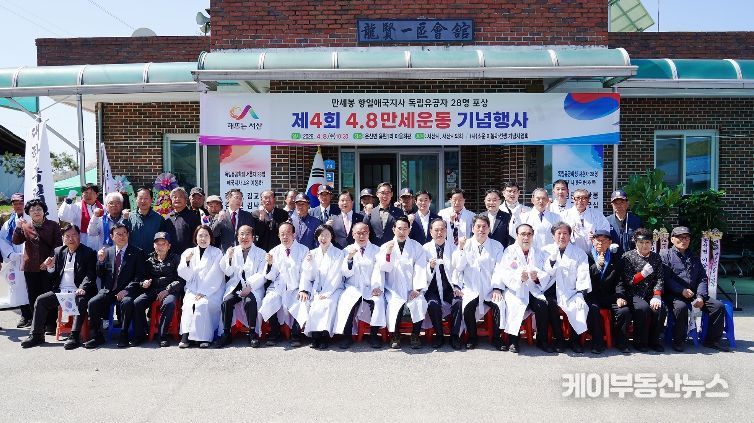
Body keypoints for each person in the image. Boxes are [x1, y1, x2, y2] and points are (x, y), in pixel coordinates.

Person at [20, 224, 97, 350]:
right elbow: (53, 276)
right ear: (63, 238)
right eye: (67, 236)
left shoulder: (88, 252)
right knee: (41, 300)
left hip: (79, 291)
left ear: (79, 237)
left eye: (74, 235)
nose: (71, 239)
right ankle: (37, 335)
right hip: (61, 290)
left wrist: (83, 287)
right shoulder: (58, 251)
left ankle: (74, 336)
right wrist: (50, 267)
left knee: (80, 300)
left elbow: (90, 275)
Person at [661, 226, 729, 352]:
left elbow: (702, 278)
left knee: (717, 306)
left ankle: (712, 340)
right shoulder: (665, 255)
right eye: (680, 237)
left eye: (686, 238)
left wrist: (700, 296)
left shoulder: (693, 256)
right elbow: (665, 279)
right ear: (672, 239)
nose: (684, 240)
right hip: (674, 294)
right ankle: (679, 340)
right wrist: (681, 290)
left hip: (693, 294)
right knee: (680, 307)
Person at [84, 223, 146, 349]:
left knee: (127, 302)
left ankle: (124, 334)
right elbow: (100, 274)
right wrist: (100, 261)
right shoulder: (107, 252)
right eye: (118, 234)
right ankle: (97, 336)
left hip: (127, 291)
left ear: (128, 235)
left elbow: (140, 276)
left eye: (124, 234)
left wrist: (127, 290)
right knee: (93, 303)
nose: (121, 237)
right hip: (109, 290)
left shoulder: (137, 252)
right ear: (112, 237)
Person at [451, 215, 506, 350]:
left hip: (490, 287)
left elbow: (500, 268)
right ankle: (472, 337)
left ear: (489, 229)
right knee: (467, 307)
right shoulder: (466, 244)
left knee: (499, 305)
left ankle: (496, 338)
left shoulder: (496, 246)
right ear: (472, 228)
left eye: (484, 227)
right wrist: (461, 249)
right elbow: (458, 267)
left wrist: (497, 288)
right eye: (478, 226)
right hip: (471, 287)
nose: (481, 229)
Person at [494, 223, 549, 353]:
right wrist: (519, 279)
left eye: (529, 234)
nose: (526, 237)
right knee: (514, 306)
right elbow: (504, 272)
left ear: (533, 236)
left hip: (532, 289)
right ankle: (513, 341)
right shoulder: (509, 251)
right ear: (517, 236)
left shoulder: (538, 252)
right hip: (515, 290)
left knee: (542, 306)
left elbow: (545, 271)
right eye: (523, 234)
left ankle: (542, 340)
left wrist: (537, 277)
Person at [374, 216, 427, 349]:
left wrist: (417, 289)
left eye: (405, 229)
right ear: (394, 229)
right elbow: (383, 268)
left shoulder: (416, 247)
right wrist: (388, 253)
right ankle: (395, 335)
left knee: (419, 303)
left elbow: (420, 268)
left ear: (409, 230)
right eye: (399, 229)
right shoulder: (386, 246)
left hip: (412, 288)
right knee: (394, 305)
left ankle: (415, 335)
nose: (402, 232)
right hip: (393, 288)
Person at [542, 222, 593, 353]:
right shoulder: (545, 251)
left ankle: (574, 341)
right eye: (559, 233)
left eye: (565, 233)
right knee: (550, 305)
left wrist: (580, 293)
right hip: (550, 289)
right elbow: (543, 272)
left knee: (579, 306)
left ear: (570, 236)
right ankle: (559, 339)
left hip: (571, 291)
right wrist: (552, 261)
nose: (562, 236)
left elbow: (583, 273)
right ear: (553, 236)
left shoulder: (579, 253)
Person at [12, 198, 62, 329]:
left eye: (39, 209)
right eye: (32, 210)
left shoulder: (53, 225)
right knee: (33, 296)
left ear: (44, 211)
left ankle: (51, 324)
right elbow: (16, 241)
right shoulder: (26, 226)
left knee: (49, 295)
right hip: (30, 267)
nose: (36, 212)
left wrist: (50, 259)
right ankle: (38, 325)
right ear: (28, 213)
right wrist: (18, 228)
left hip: (48, 266)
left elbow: (58, 244)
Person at [334, 222, 385, 349]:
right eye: (358, 233)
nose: (361, 236)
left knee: (378, 302)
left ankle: (374, 335)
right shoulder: (346, 250)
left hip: (371, 287)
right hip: (353, 286)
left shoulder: (376, 250)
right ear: (353, 234)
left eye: (364, 233)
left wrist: (377, 286)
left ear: (369, 234)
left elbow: (378, 270)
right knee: (346, 301)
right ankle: (347, 336)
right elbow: (345, 273)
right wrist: (349, 259)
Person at [216, 225, 268, 348]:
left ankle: (252, 333)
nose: (244, 237)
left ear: (253, 237)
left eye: (247, 234)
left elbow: (263, 274)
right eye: (242, 234)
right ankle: (226, 333)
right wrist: (229, 258)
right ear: (237, 237)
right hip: (236, 286)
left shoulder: (261, 253)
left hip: (253, 287)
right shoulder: (232, 251)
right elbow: (227, 272)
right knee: (227, 301)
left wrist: (250, 287)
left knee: (250, 301)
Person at [259, 222, 310, 347]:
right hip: (278, 287)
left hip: (296, 287)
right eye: (282, 234)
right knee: (268, 301)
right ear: (278, 236)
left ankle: (296, 334)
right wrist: (270, 264)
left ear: (294, 235)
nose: (285, 237)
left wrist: (303, 289)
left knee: (303, 303)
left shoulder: (303, 250)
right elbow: (270, 276)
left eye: (288, 233)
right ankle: (275, 331)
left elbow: (306, 272)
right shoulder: (274, 251)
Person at [294, 225, 345, 349]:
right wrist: (309, 264)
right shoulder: (312, 253)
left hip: (334, 289)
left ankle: (324, 337)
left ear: (331, 237)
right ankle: (314, 335)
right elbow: (307, 276)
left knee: (328, 304)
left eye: (327, 235)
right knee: (310, 303)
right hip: (315, 288)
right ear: (317, 237)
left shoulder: (338, 253)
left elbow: (336, 276)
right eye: (321, 235)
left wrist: (327, 293)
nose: (324, 238)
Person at [617, 228, 666, 352]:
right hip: (633, 293)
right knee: (642, 308)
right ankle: (639, 342)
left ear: (651, 243)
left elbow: (660, 278)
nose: (644, 245)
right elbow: (627, 280)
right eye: (641, 242)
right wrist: (642, 274)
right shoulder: (627, 256)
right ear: (635, 242)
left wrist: (657, 296)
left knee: (659, 309)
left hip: (650, 293)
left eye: (647, 242)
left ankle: (654, 341)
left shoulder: (656, 258)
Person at [177, 225, 225, 348]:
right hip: (193, 288)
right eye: (200, 236)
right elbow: (183, 273)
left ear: (211, 237)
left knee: (202, 304)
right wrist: (187, 262)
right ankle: (186, 335)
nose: (203, 239)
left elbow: (216, 274)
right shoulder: (189, 252)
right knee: (188, 305)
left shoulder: (217, 252)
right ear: (196, 238)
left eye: (206, 236)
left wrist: (204, 291)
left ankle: (203, 338)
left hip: (212, 290)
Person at [134, 231, 184, 347]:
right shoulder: (148, 259)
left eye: (163, 243)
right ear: (154, 245)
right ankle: (142, 332)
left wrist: (168, 290)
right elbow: (141, 277)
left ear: (169, 246)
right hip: (153, 290)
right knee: (137, 303)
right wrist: (144, 283)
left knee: (169, 302)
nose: (160, 246)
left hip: (169, 290)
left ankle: (162, 335)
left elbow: (181, 280)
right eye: (158, 244)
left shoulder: (176, 259)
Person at [419, 218, 460, 349]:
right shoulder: (424, 249)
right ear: (431, 232)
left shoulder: (453, 248)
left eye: (442, 230)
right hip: (432, 288)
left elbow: (459, 270)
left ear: (446, 231)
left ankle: (454, 335)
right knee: (432, 304)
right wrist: (430, 267)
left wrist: (457, 287)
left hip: (449, 287)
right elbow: (419, 271)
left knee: (458, 302)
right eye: (436, 230)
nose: (439, 233)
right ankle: (439, 335)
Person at [585, 229, 622, 354]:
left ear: (610, 242)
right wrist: (597, 266)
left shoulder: (616, 257)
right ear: (593, 241)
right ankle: (597, 343)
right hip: (592, 295)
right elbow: (584, 277)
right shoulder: (586, 256)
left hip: (610, 295)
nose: (600, 243)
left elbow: (619, 280)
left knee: (624, 310)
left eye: (604, 241)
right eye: (598, 240)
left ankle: (621, 341)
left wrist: (620, 296)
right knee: (593, 309)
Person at [0, 193, 29, 319]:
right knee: (18, 287)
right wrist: (11, 254)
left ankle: (35, 317)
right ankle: (25, 315)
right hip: (17, 259)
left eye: (21, 203)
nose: (18, 206)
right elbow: (3, 240)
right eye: (15, 204)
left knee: (32, 287)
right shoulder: (9, 223)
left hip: (31, 259)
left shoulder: (31, 218)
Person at [562, 188, 610, 254]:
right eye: (577, 198)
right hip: (572, 254)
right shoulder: (565, 215)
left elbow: (605, 231)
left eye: (584, 198)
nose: (580, 201)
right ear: (573, 199)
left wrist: (596, 236)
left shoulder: (597, 215)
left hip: (593, 253)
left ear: (588, 199)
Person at [57, 183, 102, 249]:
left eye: (91, 193)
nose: (88, 195)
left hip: (97, 241)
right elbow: (63, 216)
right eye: (86, 193)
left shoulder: (102, 208)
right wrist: (68, 200)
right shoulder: (76, 206)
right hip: (80, 240)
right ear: (82, 194)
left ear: (97, 194)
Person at [363, 182, 404, 246]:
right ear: (377, 194)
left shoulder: (399, 212)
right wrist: (367, 214)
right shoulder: (372, 212)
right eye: (382, 193)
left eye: (387, 193)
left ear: (391, 194)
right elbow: (364, 228)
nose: (385, 196)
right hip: (375, 248)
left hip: (393, 247)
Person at [163, 187, 202, 255]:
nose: (177, 199)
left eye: (180, 196)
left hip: (188, 256)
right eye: (174, 197)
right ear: (171, 200)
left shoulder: (193, 217)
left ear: (186, 200)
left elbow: (197, 239)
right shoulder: (167, 218)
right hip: (169, 257)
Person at [127, 187, 165, 254]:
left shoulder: (159, 219)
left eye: (146, 198)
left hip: (152, 257)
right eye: (140, 198)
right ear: (136, 199)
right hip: (133, 256)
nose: (143, 201)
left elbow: (163, 239)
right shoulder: (129, 217)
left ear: (151, 200)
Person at [606, 189, 642, 255]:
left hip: (632, 258)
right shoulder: (606, 221)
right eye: (616, 203)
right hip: (612, 258)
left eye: (622, 202)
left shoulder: (636, 221)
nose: (619, 205)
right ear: (612, 205)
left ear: (627, 203)